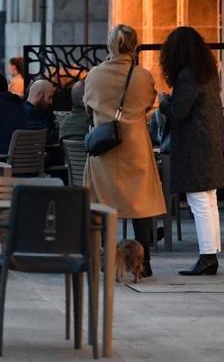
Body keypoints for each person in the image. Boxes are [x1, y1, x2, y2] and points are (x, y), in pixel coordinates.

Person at [84, 24, 165, 277]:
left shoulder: (95, 75)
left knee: (103, 202)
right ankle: (146, 260)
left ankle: (107, 257)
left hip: (104, 150)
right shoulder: (142, 76)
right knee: (141, 206)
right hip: (136, 147)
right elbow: (149, 104)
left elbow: (88, 107)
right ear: (135, 46)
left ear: (110, 45)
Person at [159, 26, 224, 276]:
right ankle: (211, 254)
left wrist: (164, 103)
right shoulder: (206, 74)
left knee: (200, 202)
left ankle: (207, 257)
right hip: (209, 145)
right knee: (208, 202)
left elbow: (178, 112)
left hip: (195, 147)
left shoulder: (188, 76)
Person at [24, 79, 59, 144]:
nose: (51, 102)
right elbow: (49, 138)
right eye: (49, 97)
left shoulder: (44, 111)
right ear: (39, 96)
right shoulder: (27, 114)